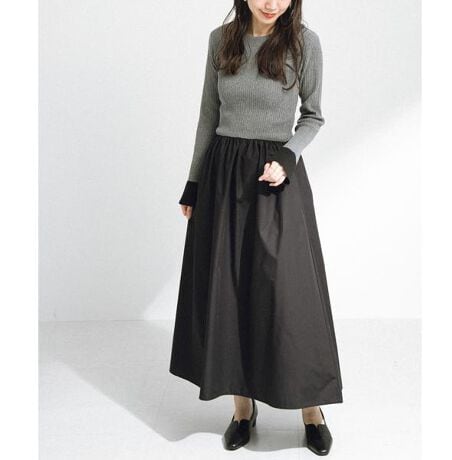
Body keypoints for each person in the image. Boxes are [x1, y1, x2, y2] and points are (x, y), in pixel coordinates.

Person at [169, 0, 343, 455]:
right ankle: (242, 409)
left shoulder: (304, 43)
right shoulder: (220, 40)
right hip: (222, 175)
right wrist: (194, 183)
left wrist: (286, 158)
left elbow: (313, 115)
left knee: (288, 296)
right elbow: (208, 115)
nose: (272, 3)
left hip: (275, 176)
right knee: (228, 290)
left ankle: (311, 410)